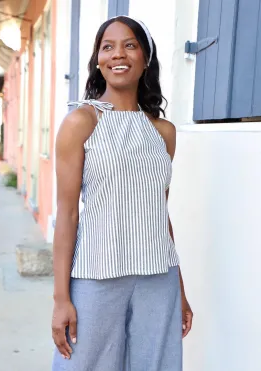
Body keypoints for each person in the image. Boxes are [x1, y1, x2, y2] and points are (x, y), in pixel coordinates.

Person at [52, 15, 193, 371]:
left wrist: (180, 290)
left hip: (157, 280)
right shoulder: (81, 122)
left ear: (145, 58)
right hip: (96, 274)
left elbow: (158, 214)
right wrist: (60, 299)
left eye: (129, 45)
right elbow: (67, 214)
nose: (119, 54)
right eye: (108, 46)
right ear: (98, 60)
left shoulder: (163, 132)